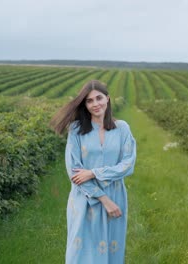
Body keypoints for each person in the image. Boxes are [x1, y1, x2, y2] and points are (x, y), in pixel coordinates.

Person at [50, 80, 137, 263]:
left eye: (99, 98)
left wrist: (93, 172)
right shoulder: (76, 130)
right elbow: (74, 172)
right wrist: (103, 199)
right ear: (85, 105)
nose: (95, 104)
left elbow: (128, 164)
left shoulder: (122, 129)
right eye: (89, 101)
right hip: (84, 198)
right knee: (80, 253)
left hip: (116, 195)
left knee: (113, 250)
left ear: (108, 99)